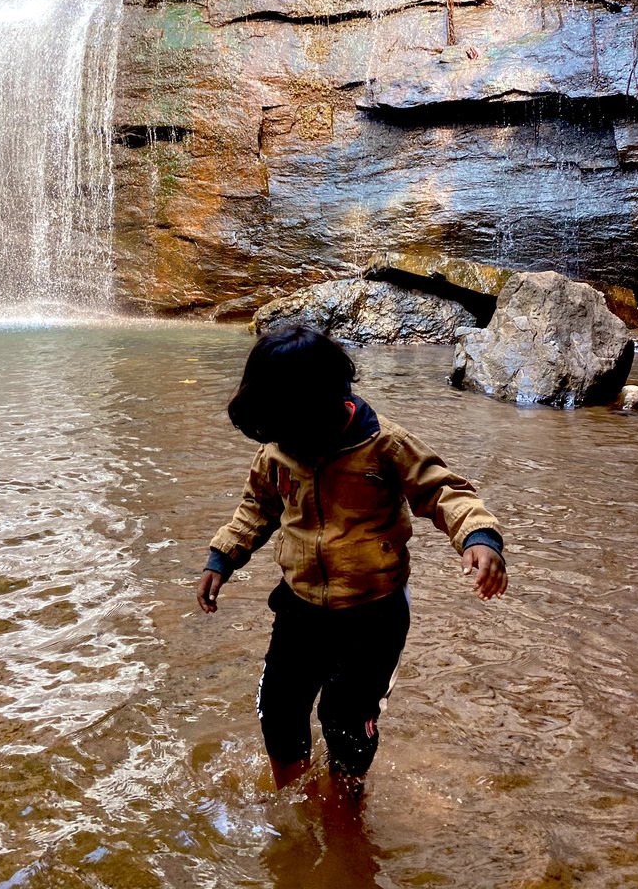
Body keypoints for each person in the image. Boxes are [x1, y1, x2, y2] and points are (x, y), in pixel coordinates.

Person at [196, 325, 508, 792]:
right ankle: (291, 798)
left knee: (345, 717)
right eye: (273, 431)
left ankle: (346, 807)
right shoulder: (277, 450)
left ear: (323, 405)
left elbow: (443, 491)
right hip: (299, 606)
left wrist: (478, 537)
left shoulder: (385, 445)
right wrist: (221, 558)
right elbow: (257, 508)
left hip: (373, 612)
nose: (283, 442)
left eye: (289, 430)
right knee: (279, 708)